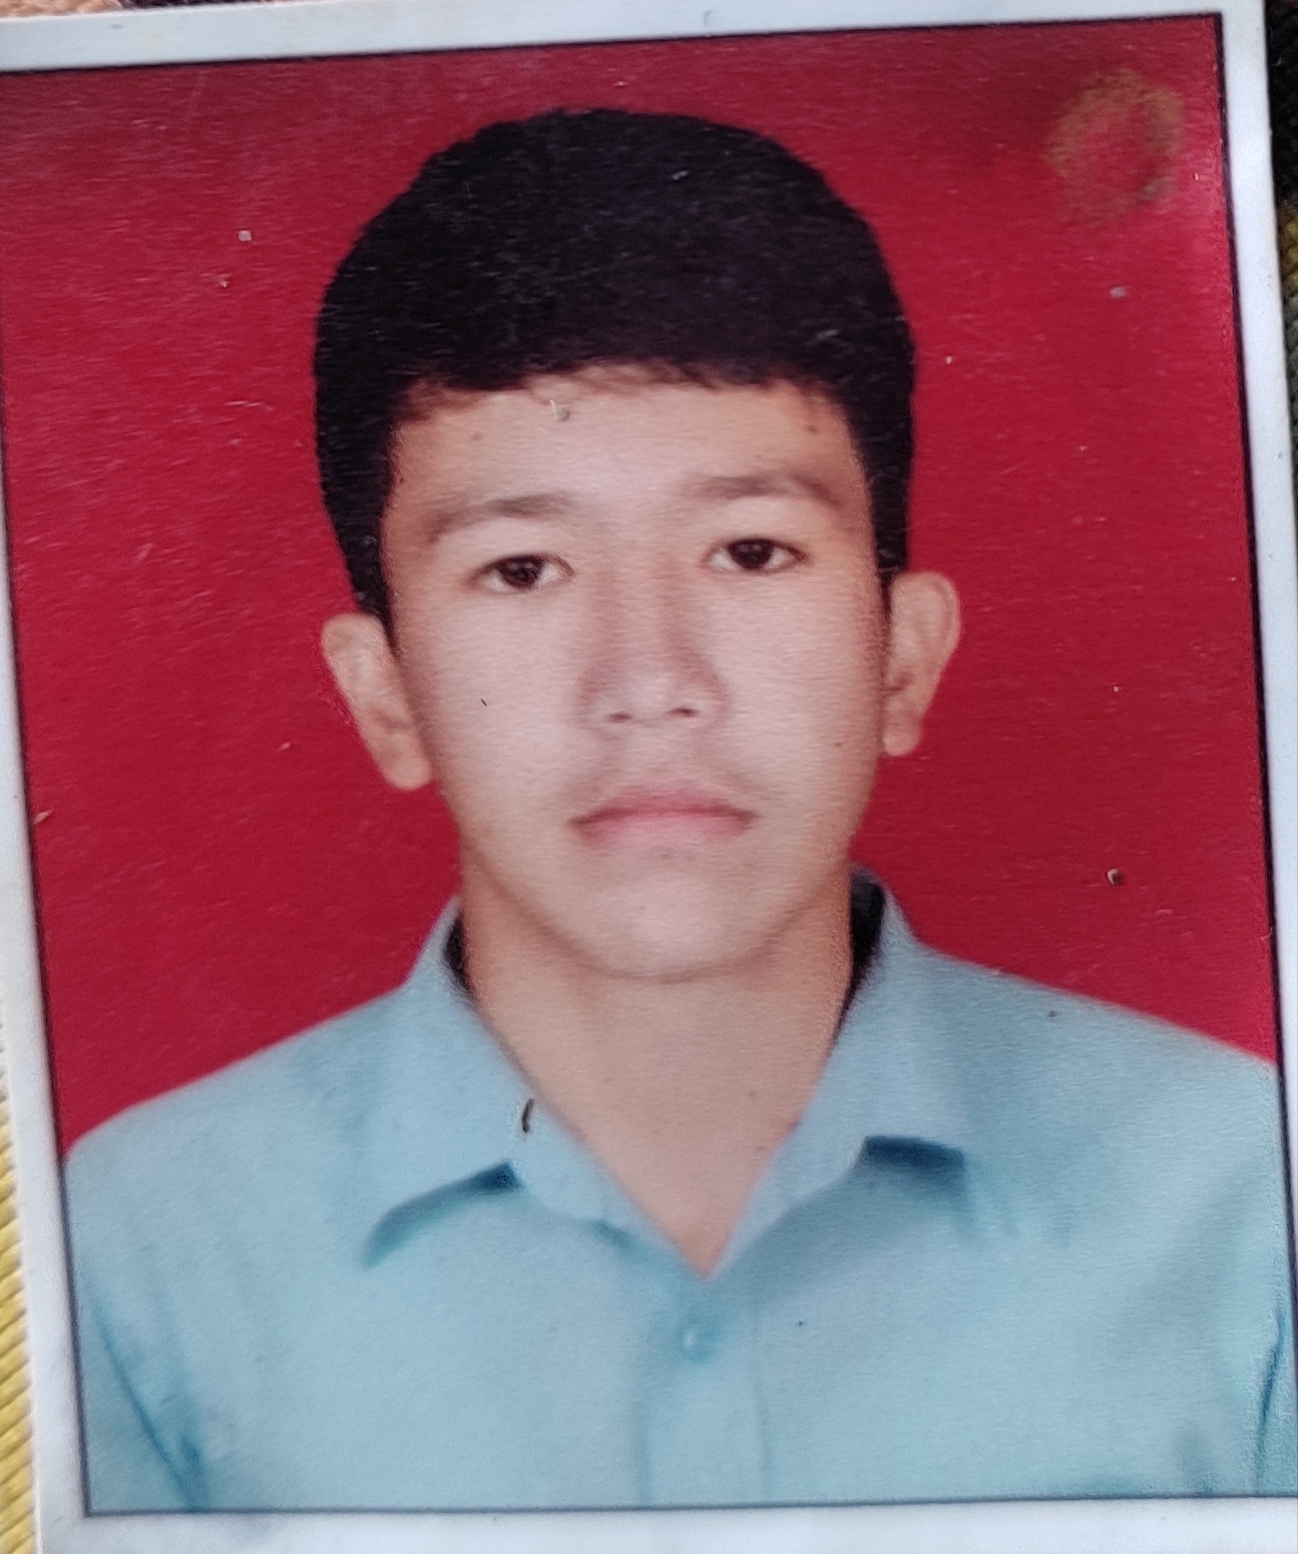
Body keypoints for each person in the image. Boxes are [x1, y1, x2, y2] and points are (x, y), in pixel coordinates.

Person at [65, 108, 1296, 1512]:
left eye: (749, 550)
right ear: (384, 690)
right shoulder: (136, 1251)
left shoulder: (1241, 1187)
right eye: (522, 569)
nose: (650, 684)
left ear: (903, 655)